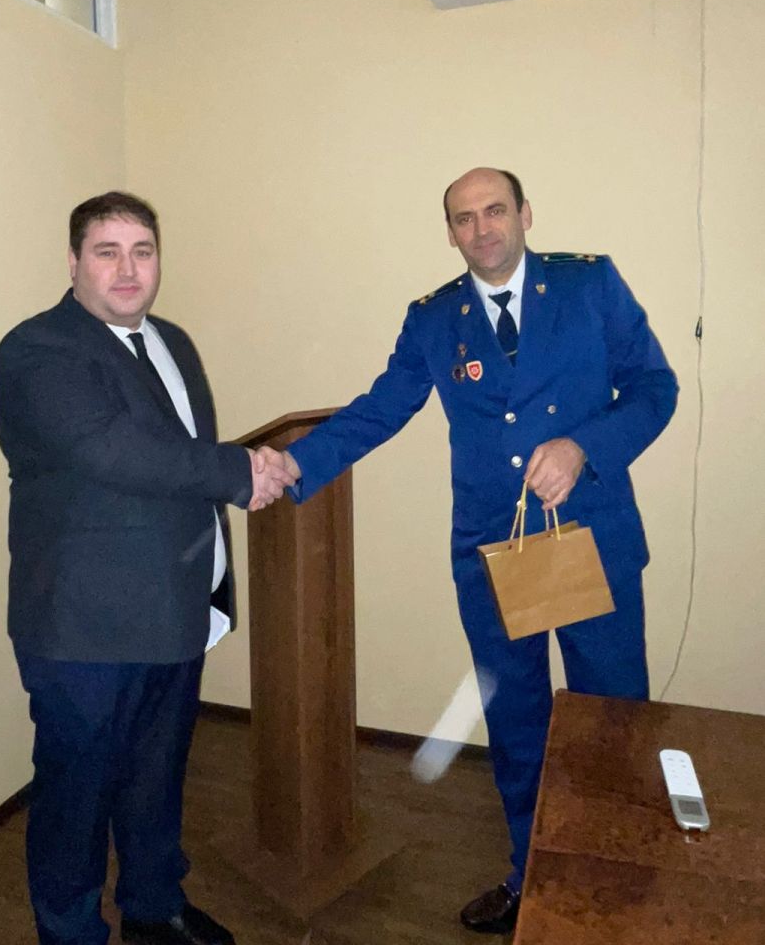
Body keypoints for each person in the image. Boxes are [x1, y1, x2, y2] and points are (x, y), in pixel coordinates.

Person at [271, 168, 677, 934]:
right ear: (451, 232)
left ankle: (616, 876)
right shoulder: (434, 319)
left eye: (495, 210)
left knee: (612, 722)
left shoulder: (589, 286)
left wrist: (585, 447)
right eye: (464, 218)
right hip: (495, 553)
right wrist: (294, 466)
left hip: (592, 541)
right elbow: (381, 408)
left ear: (525, 214)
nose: (482, 228)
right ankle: (530, 874)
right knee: (517, 722)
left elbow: (656, 388)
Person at [0, 191, 293, 945]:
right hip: (84, 628)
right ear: (73, 262)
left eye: (143, 251)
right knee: (76, 797)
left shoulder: (172, 342)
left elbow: (175, 462)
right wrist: (240, 471)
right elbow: (109, 450)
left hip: (175, 608)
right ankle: (71, 933)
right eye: (108, 252)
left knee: (157, 778)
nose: (129, 270)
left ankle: (154, 907)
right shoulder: (38, 349)